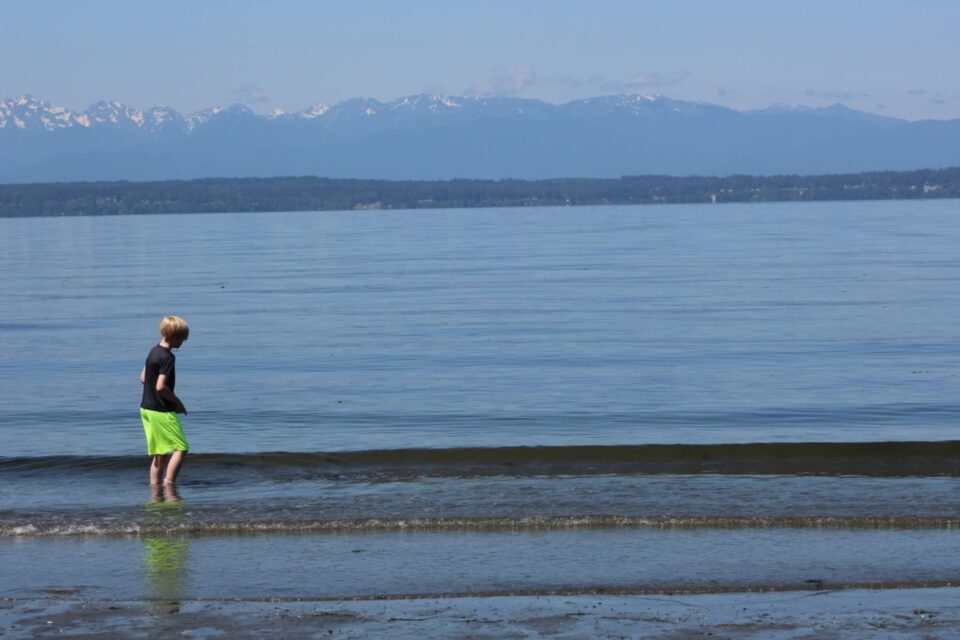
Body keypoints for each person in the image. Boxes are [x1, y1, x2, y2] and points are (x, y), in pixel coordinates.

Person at [140, 315, 190, 487]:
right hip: (162, 410)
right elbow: (161, 387)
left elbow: (143, 378)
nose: (182, 343)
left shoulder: (153, 351)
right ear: (173, 336)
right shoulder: (168, 357)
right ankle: (169, 484)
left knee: (159, 453)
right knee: (181, 448)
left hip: (146, 408)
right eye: (182, 339)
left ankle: (155, 490)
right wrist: (177, 403)